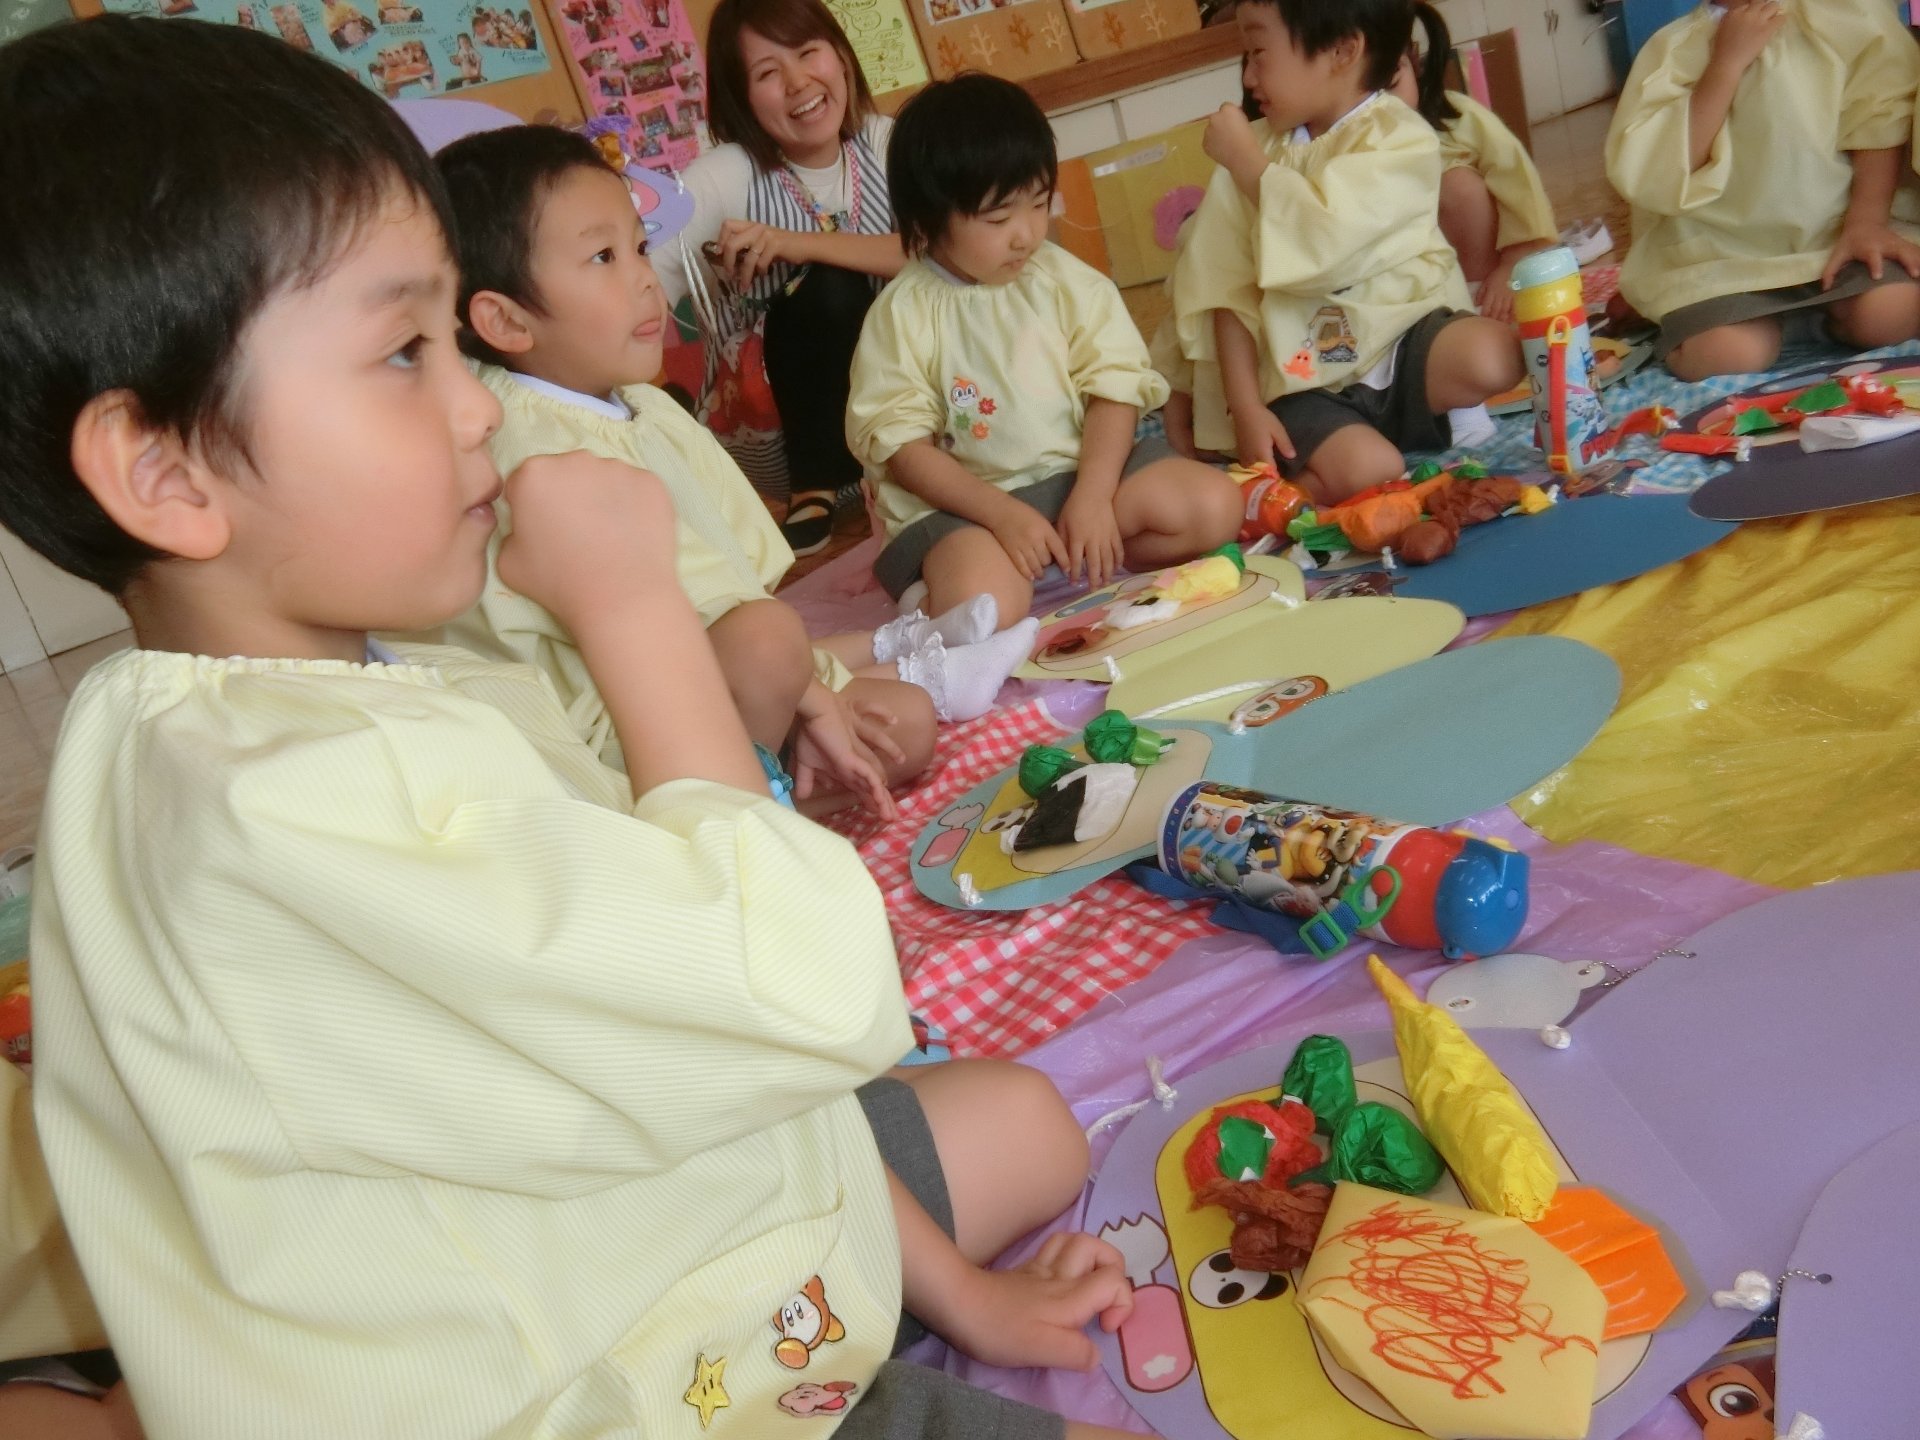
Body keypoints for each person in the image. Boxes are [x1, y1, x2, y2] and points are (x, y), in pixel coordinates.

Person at [0, 17, 1143, 1439]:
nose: (479, 406)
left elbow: (735, 1087)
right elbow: (799, 990)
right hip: (610, 1389)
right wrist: (634, 610)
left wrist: (966, 1300)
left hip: (660, 1256)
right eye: (403, 351)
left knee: (1017, 1122)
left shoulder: (239, 723)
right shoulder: (282, 806)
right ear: (165, 472)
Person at [431, 127, 1035, 792]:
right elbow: (709, 619)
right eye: (603, 258)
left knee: (906, 727)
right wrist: (798, 682)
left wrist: (800, 684)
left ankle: (896, 666)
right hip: (614, 730)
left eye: (638, 245)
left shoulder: (636, 401)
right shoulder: (524, 440)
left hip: (715, 665)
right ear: (508, 323)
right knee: (771, 645)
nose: (644, 280)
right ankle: (761, 786)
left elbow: (739, 575)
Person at [846, 74, 1243, 627]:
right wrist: (1002, 515)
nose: (1026, 235)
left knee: (1216, 506)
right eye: (998, 218)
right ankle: (942, 596)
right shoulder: (903, 313)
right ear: (927, 221)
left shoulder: (1062, 281)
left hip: (1082, 477)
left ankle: (1083, 552)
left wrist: (1094, 497)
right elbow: (903, 448)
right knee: (982, 608)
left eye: (1037, 204)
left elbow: (1115, 388)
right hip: (969, 514)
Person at [1171, 0, 1523, 503]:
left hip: (1402, 352)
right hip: (1307, 386)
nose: (1248, 77)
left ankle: (1386, 436)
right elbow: (1226, 294)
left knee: (1495, 355)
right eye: (1244, 56)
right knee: (1374, 470)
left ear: (1341, 50)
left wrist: (1252, 170)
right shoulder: (1251, 152)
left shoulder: (1400, 138)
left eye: (1260, 53)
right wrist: (1246, 409)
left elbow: (1329, 240)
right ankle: (1298, 484)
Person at [652, 0, 906, 555]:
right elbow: (638, 278)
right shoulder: (722, 178)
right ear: (741, 97)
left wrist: (796, 242)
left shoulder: (889, 144)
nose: (798, 82)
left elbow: (945, 254)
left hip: (910, 413)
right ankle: (815, 484)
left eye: (808, 52)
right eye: (768, 72)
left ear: (840, 56)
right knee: (827, 290)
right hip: (780, 431)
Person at [1607, 0, 1920, 380]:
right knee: (1727, 357)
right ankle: (1688, 319)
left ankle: (1818, 320)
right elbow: (1661, 169)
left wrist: (1866, 223)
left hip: (1832, 247)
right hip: (1719, 263)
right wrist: (1725, 65)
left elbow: (1880, 118)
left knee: (1893, 314)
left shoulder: (1849, 18)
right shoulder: (1675, 49)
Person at [1389, 4, 1558, 324]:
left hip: (1481, 271)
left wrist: (1513, 264)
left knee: (1459, 187)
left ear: (1413, 63)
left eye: (1392, 84)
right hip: (1410, 286)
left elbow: (1518, 180)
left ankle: (1482, 300)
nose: (1384, 105)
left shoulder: (1457, 115)